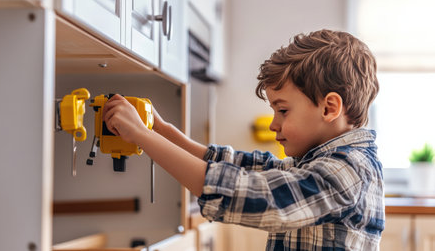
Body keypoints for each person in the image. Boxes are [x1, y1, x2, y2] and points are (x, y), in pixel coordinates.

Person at [102, 29, 384, 251]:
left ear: (329, 108)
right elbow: (252, 167)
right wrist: (163, 130)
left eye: (283, 110)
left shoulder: (347, 172)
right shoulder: (321, 162)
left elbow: (259, 195)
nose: (274, 124)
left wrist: (141, 135)